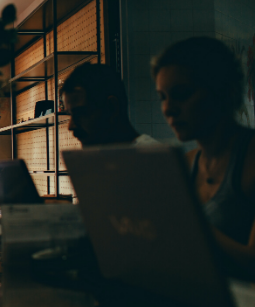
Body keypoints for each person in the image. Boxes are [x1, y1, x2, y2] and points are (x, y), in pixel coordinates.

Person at [153, 36, 255, 275]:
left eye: (182, 93)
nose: (168, 108)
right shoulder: (185, 165)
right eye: (163, 97)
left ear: (225, 92)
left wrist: (189, 221)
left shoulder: (250, 160)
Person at [61, 63, 159, 147]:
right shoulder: (104, 161)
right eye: (70, 114)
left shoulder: (153, 160)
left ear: (111, 108)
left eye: (80, 113)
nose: (71, 126)